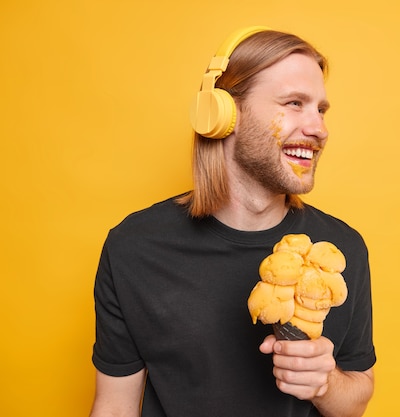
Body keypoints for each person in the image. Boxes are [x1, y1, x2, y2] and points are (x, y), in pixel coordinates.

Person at [89, 27, 376, 417]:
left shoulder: (337, 251)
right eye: (294, 103)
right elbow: (115, 407)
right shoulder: (134, 247)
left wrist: (324, 383)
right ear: (223, 114)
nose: (319, 129)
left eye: (321, 110)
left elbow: (356, 398)